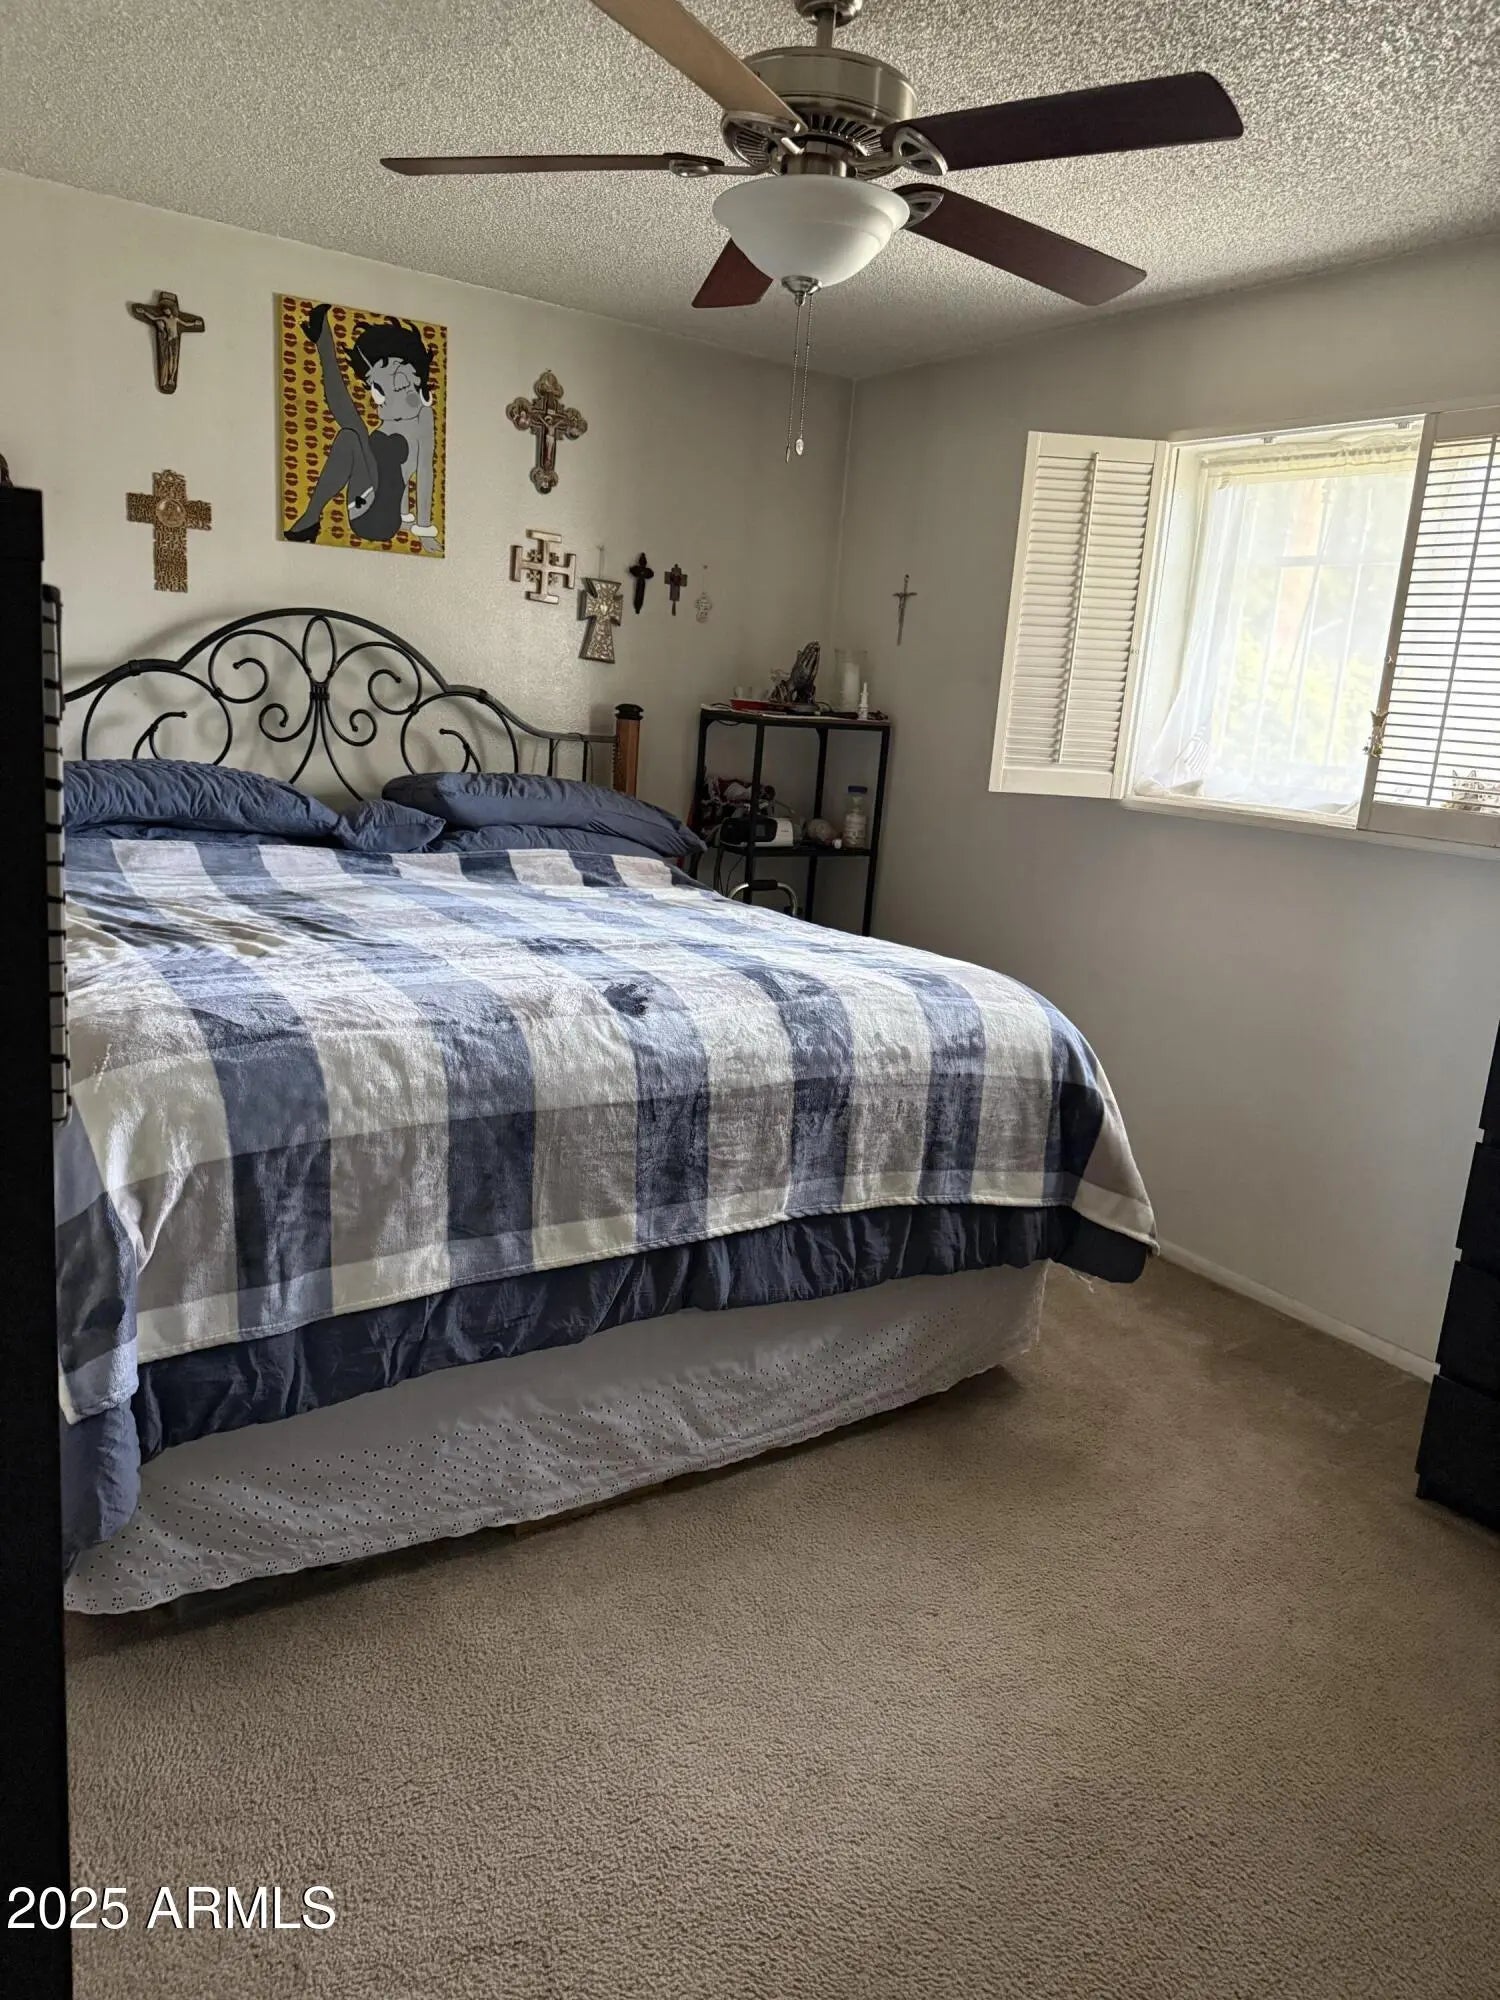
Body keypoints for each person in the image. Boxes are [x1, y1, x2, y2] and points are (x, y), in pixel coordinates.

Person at [285, 304, 439, 551]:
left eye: (398, 382)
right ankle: (323, 341)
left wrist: (423, 529)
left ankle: (311, 518)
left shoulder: (423, 416)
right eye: (378, 387)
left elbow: (424, 472)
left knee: (351, 433)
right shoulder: (390, 413)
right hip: (364, 504)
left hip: (381, 520)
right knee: (352, 432)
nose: (385, 398)